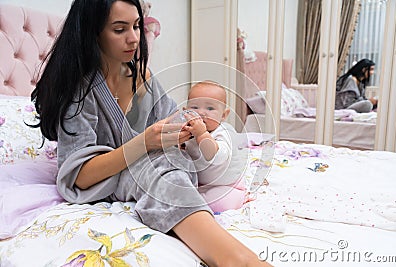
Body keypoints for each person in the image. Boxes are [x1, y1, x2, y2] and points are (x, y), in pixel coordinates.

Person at [30, 1, 271, 266]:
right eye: (119, 29)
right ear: (93, 32)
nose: (134, 38)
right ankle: (236, 259)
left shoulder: (140, 75)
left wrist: (185, 128)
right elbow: (80, 176)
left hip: (163, 164)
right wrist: (145, 142)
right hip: (117, 174)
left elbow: (168, 117)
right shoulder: (80, 90)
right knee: (161, 169)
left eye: (135, 26)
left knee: (168, 164)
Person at [183, 81, 246, 213]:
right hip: (200, 182)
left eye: (210, 108)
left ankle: (241, 197)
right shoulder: (188, 130)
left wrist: (201, 134)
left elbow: (217, 157)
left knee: (219, 203)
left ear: (223, 115)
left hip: (226, 185)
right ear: (185, 111)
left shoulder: (224, 132)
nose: (201, 113)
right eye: (194, 107)